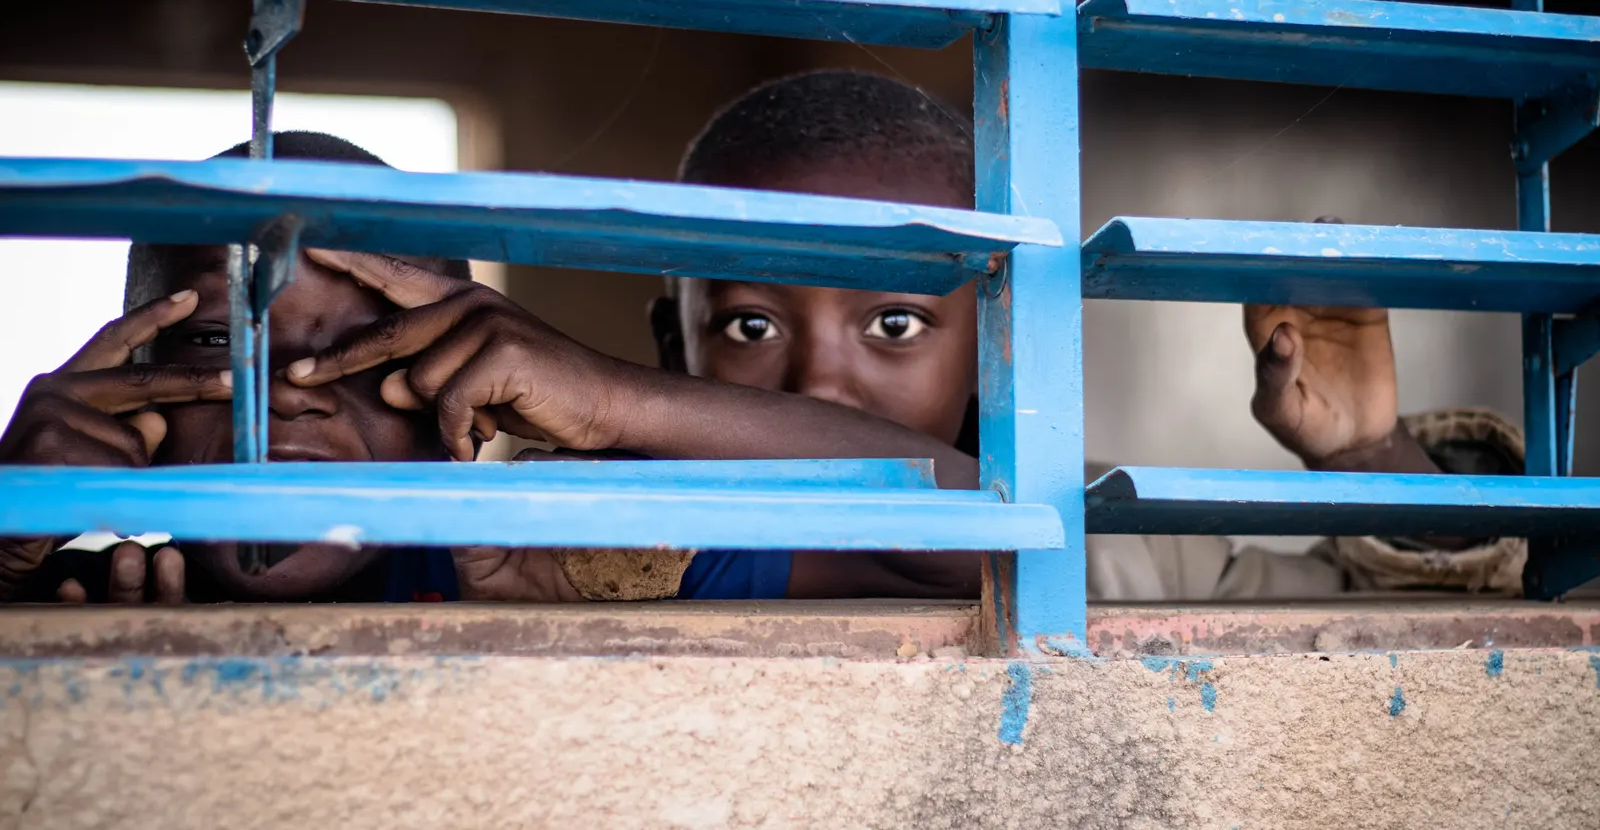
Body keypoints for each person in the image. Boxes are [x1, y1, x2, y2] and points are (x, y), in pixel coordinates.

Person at [644, 69, 1528, 600]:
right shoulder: (618, 546)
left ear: (996, 344)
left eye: (896, 321)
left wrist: (1368, 455)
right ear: (672, 349)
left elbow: (1402, 655)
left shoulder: (1117, 553)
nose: (819, 384)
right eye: (750, 324)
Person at [0, 131, 979, 603]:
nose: (291, 390)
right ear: (120, 390)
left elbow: (989, 539)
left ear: (449, 393)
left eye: (365, 344)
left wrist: (607, 397)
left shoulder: (561, 559)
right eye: (216, 342)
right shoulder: (66, 595)